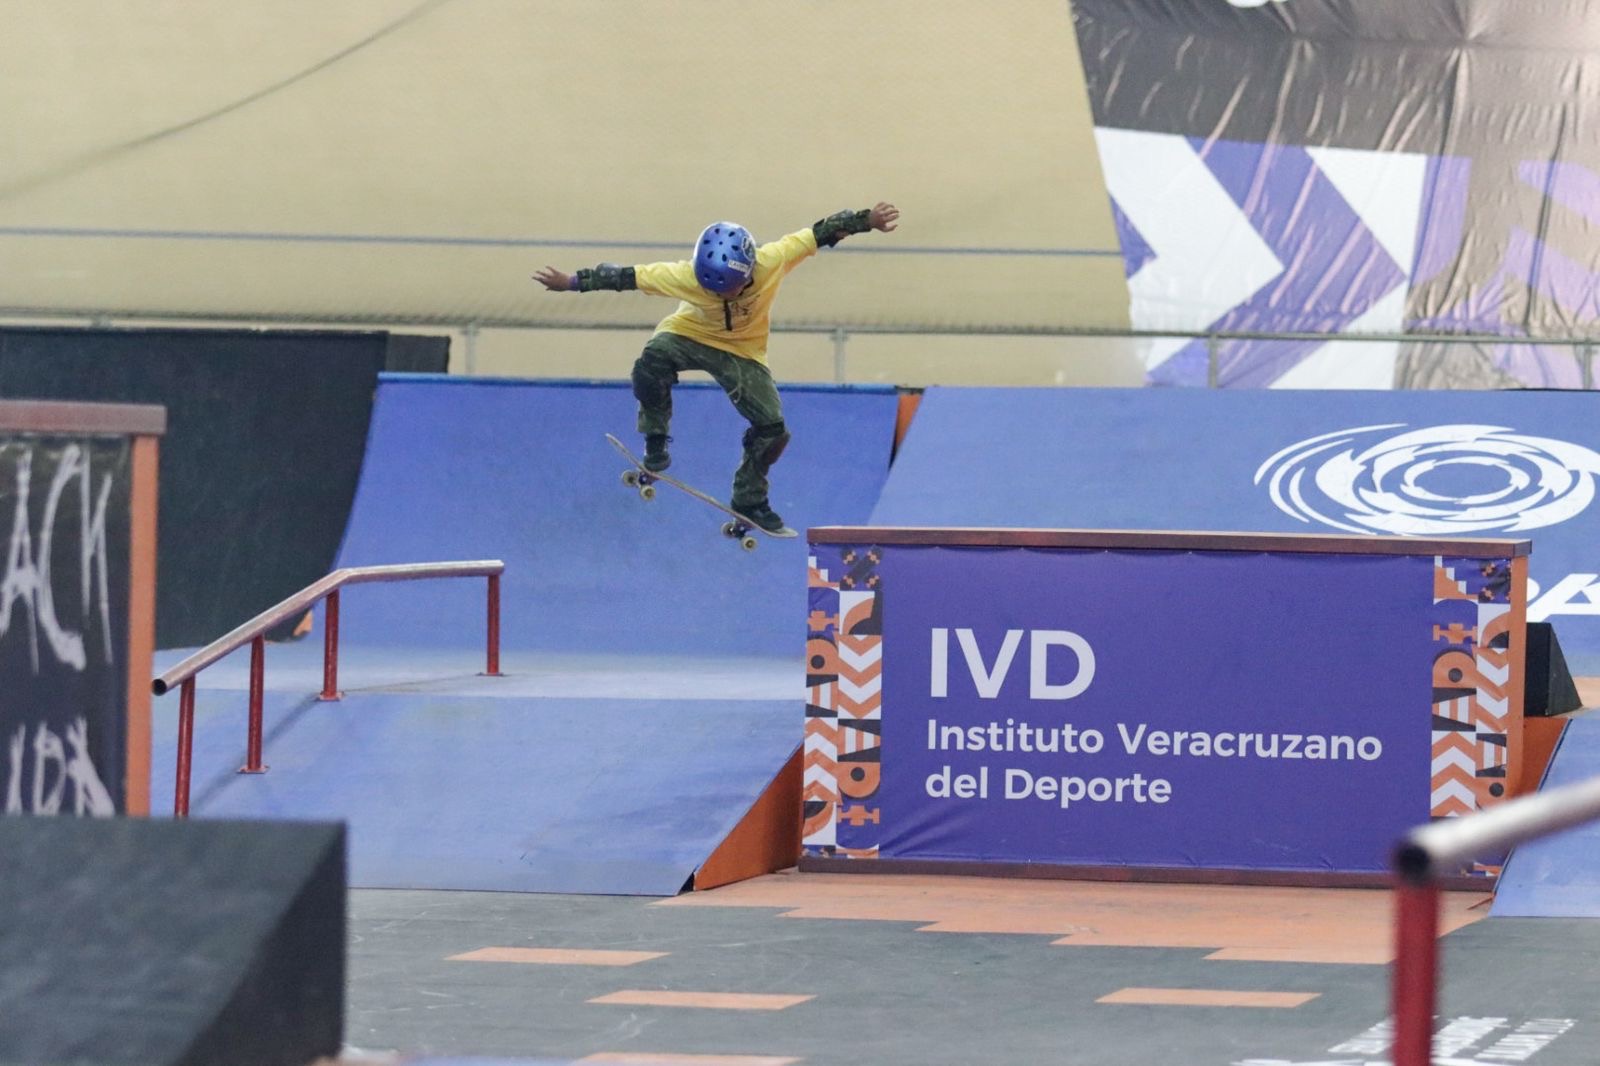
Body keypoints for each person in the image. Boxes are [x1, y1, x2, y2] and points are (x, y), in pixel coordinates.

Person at [533, 202, 900, 532]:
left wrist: (867, 220)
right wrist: (572, 282)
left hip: (743, 352)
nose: (722, 295)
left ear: (748, 271)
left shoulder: (772, 260)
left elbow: (820, 232)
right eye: (713, 289)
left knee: (773, 429)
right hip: (688, 335)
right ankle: (656, 440)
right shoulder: (683, 276)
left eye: (730, 289)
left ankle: (749, 500)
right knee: (650, 361)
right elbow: (626, 276)